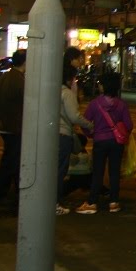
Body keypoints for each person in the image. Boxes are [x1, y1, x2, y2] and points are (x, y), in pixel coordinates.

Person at [78, 73, 132, 214]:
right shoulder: (121, 105)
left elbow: (85, 123)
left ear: (104, 86)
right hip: (116, 142)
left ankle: (92, 202)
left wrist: (91, 134)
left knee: (98, 171)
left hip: (100, 141)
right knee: (114, 172)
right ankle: (114, 202)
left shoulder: (95, 104)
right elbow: (129, 125)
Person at [0, 49, 26, 207]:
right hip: (14, 125)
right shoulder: (19, 79)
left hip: (6, 123)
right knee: (11, 161)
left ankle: (8, 191)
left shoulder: (6, 76)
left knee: (11, 159)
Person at [58, 64, 92, 215]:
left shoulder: (52, 90)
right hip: (63, 134)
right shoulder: (67, 93)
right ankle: (55, 202)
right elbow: (74, 116)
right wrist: (90, 125)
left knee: (53, 170)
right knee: (60, 170)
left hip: (51, 133)